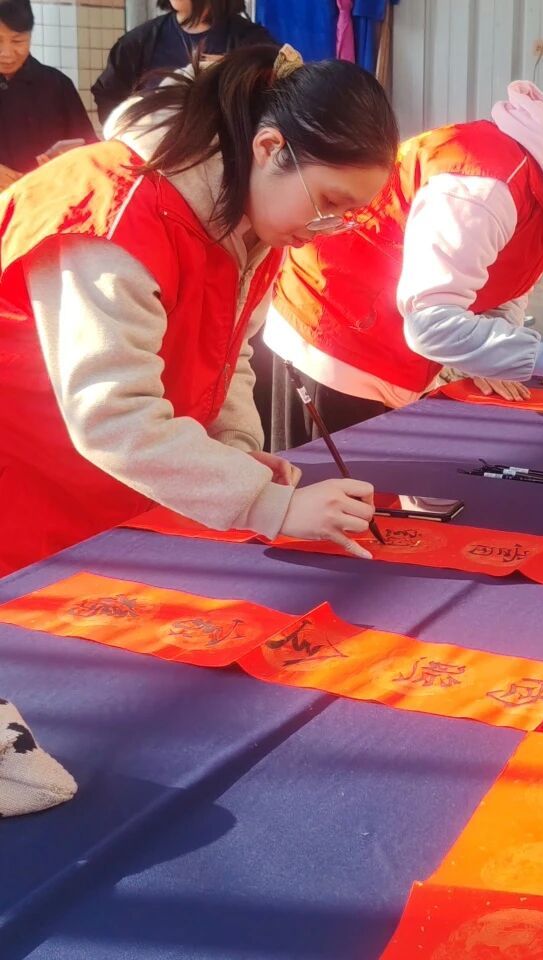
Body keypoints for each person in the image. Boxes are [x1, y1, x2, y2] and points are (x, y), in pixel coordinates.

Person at [0, 45, 400, 577]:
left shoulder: (256, 217)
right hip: (28, 485)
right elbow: (111, 414)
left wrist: (234, 454)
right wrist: (267, 503)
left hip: (117, 479)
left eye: (347, 214)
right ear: (268, 147)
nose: (325, 229)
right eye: (328, 201)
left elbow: (228, 353)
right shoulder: (114, 211)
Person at [264, 82, 543, 449]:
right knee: (335, 501)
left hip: (388, 349)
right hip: (333, 341)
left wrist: (497, 357)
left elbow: (503, 288)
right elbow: (430, 323)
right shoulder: (486, 184)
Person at [91, 0, 277, 125]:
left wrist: (236, 69)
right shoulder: (138, 42)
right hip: (153, 160)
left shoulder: (252, 42)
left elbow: (277, 91)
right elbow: (108, 96)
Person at [0, 0, 96, 188]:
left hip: (47, 197)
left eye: (18, 41)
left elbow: (89, 147)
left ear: (30, 35)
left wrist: (65, 161)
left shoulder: (56, 85)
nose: (7, 53)